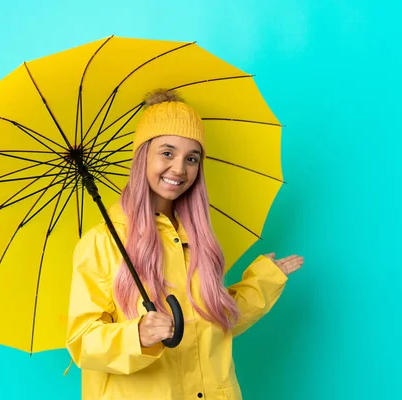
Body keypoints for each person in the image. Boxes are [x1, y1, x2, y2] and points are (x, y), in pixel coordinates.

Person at [66, 89, 303, 399]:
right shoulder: (101, 244)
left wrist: (262, 282)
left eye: (192, 158)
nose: (179, 168)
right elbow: (83, 342)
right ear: (143, 156)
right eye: (167, 152)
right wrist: (136, 335)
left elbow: (215, 323)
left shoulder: (197, 237)